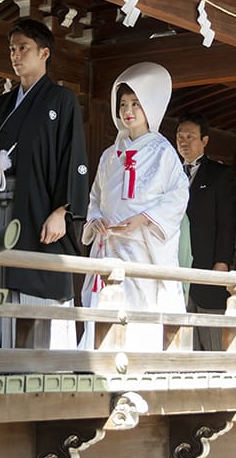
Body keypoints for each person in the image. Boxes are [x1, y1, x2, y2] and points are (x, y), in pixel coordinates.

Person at [0, 18, 90, 349]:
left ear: (44, 53)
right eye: (12, 49)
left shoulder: (61, 100)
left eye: (23, 48)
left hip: (37, 209)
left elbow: (73, 155)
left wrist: (62, 211)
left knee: (34, 277)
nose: (16, 55)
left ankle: (36, 358)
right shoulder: (1, 106)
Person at [81, 62, 189, 350]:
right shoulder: (108, 156)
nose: (128, 111)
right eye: (123, 104)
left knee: (141, 311)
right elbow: (95, 198)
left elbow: (179, 195)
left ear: (149, 107)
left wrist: (144, 218)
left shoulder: (164, 152)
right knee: (105, 308)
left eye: (136, 104)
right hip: (110, 245)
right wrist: (95, 221)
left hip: (143, 248)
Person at [176, 113, 236, 351]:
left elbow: (227, 222)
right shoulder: (169, 174)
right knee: (180, 341)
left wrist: (222, 262)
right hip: (175, 265)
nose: (184, 141)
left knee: (212, 341)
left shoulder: (219, 174)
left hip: (207, 263)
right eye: (180, 136)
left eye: (190, 136)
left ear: (205, 140)